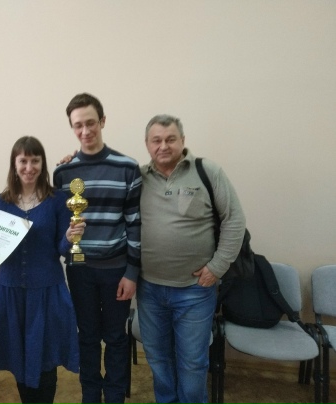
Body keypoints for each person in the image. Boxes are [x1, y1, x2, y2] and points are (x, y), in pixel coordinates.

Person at [138, 114, 246, 404]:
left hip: (194, 291)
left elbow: (234, 220)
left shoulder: (207, 171)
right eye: (156, 140)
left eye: (170, 139)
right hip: (149, 290)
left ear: (183, 141)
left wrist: (217, 267)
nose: (163, 146)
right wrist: (75, 161)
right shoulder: (138, 177)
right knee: (158, 359)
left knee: (192, 363)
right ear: (147, 144)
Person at [53, 93, 142, 404]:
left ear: (102, 121)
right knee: (87, 337)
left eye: (90, 123)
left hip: (117, 270)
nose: (85, 131)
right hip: (79, 270)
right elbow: (59, 225)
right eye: (78, 125)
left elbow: (135, 224)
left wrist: (132, 272)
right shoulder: (62, 173)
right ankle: (90, 395)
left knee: (116, 338)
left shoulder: (128, 167)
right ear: (72, 127)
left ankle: (115, 397)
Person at [0, 136, 84, 404]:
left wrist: (69, 238)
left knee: (46, 357)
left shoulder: (57, 200)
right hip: (11, 292)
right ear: (14, 164)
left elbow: (61, 249)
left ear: (43, 163)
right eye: (23, 161)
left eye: (35, 160)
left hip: (47, 291)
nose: (29, 167)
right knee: (19, 357)